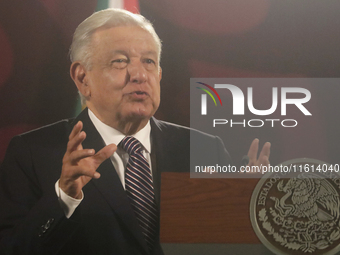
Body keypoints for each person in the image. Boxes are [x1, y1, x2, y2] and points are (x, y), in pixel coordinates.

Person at [0, 8, 270, 255]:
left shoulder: (203, 149)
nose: (140, 75)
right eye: (120, 61)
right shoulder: (33, 153)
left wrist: (250, 214)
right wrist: (63, 197)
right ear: (82, 78)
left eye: (149, 62)